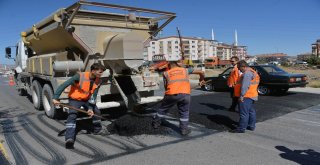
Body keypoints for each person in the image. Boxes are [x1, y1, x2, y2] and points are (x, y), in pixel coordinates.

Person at [52, 63, 108, 148]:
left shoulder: (98, 80)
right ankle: (69, 138)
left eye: (102, 72)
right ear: (93, 71)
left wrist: (90, 108)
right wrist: (55, 98)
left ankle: (97, 130)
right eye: (100, 72)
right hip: (75, 99)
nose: (101, 74)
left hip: (86, 100)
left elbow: (94, 96)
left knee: (96, 112)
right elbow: (64, 85)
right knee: (72, 115)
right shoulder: (80, 76)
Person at [152, 61, 206, 136]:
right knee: (184, 112)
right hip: (185, 94)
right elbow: (201, 72)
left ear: (169, 66)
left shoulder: (166, 73)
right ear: (177, 65)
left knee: (162, 109)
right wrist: (201, 80)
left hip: (171, 94)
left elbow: (166, 87)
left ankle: (155, 124)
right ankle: (184, 130)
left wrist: (166, 97)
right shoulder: (185, 70)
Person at [231, 60, 260, 133]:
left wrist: (241, 96)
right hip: (251, 95)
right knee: (250, 111)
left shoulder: (247, 74)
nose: (238, 69)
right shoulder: (252, 72)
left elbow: (245, 86)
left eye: (239, 68)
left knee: (243, 113)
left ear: (243, 66)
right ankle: (251, 126)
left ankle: (241, 128)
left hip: (246, 96)